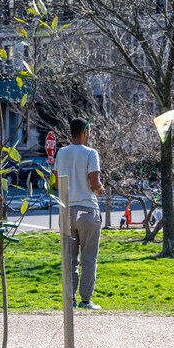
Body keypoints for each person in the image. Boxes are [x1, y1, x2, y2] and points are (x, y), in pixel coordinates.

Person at [54, 118, 105, 310]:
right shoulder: (91, 153)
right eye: (89, 130)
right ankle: (86, 300)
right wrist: (100, 189)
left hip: (66, 209)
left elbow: (56, 183)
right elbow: (94, 183)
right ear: (85, 131)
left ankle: (70, 299)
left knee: (70, 258)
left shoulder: (61, 153)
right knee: (89, 257)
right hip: (87, 210)